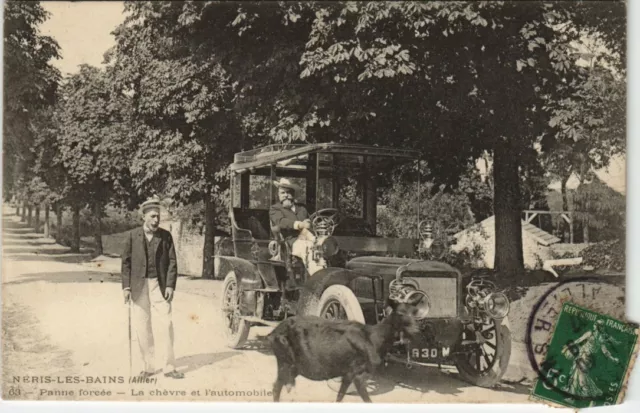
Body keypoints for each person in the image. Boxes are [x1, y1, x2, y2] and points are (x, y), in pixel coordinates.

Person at [121, 197, 184, 379]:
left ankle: (169, 367)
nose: (156, 220)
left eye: (158, 217)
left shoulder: (165, 237)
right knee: (142, 327)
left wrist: (170, 285)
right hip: (138, 286)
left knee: (166, 324)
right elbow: (125, 263)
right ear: (144, 217)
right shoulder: (133, 236)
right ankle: (148, 367)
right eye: (153, 216)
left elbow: (172, 262)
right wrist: (126, 287)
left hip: (160, 285)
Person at [269, 178, 326, 276]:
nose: (286, 195)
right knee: (308, 248)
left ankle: (327, 273)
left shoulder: (302, 208)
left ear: (293, 194)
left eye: (288, 192)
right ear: (278, 195)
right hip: (290, 242)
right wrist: (299, 224)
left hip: (308, 238)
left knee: (325, 246)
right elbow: (281, 222)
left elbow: (310, 222)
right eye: (283, 193)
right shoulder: (275, 209)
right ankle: (318, 278)